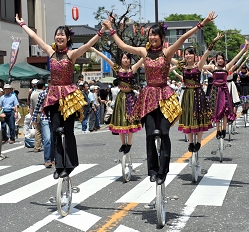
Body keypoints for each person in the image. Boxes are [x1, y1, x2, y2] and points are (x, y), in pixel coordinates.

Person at [103, 11, 217, 185]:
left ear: (162, 37)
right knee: (150, 135)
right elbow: (123, 46)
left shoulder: (167, 52)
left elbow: (184, 36)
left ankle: (163, 170)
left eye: (155, 34)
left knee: (163, 133)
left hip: (164, 96)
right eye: (150, 34)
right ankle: (153, 170)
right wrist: (111, 30)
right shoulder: (143, 52)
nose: (152, 37)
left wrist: (203, 23)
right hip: (148, 97)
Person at [15, 14, 105, 179]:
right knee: (56, 131)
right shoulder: (51, 52)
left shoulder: (72, 55)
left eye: (62, 34)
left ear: (68, 38)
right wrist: (22, 24)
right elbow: (35, 37)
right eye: (57, 34)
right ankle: (59, 165)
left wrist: (101, 32)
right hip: (53, 95)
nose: (59, 36)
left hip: (69, 97)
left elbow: (88, 45)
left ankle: (69, 165)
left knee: (68, 131)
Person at [90, 47, 143, 154]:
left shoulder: (133, 69)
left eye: (128, 58)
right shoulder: (117, 69)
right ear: (121, 59)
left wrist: (149, 49)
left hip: (130, 97)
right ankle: (123, 143)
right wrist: (95, 50)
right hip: (120, 97)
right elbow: (105, 58)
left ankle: (130, 143)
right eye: (124, 58)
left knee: (130, 120)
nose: (126, 60)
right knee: (120, 120)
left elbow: (143, 57)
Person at [203, 40, 249, 139]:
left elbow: (236, 58)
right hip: (215, 91)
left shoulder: (227, 67)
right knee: (216, 111)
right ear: (215, 59)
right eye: (218, 58)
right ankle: (218, 130)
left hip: (224, 90)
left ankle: (224, 129)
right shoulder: (212, 67)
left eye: (221, 59)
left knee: (224, 110)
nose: (220, 60)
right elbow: (200, 65)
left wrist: (243, 50)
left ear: (224, 60)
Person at [177, 45, 218, 152]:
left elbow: (205, 56)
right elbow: (169, 57)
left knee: (199, 117)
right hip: (187, 94)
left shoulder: (199, 66)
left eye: (190, 53)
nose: (188, 55)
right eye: (186, 54)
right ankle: (190, 142)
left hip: (198, 93)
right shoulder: (183, 67)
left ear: (195, 55)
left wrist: (210, 47)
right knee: (188, 117)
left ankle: (199, 141)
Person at [31, 81, 55, 168]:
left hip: (54, 119)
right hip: (44, 118)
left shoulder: (57, 94)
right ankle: (47, 160)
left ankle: (52, 158)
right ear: (48, 84)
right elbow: (37, 106)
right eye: (50, 83)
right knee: (47, 139)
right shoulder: (43, 94)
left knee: (53, 139)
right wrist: (33, 118)